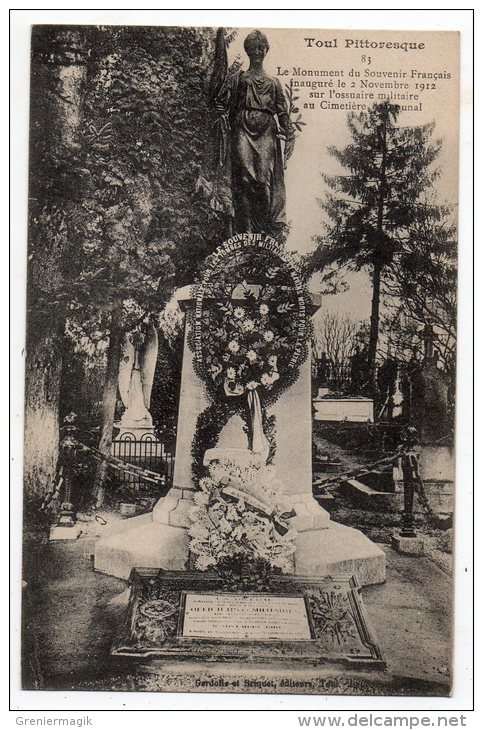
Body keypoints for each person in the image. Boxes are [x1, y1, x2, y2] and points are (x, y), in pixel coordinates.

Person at [210, 29, 294, 235]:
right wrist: (221, 114)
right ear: (247, 51)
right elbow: (221, 102)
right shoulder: (238, 79)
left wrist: (290, 135)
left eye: (260, 47)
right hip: (241, 128)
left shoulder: (274, 82)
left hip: (266, 131)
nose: (256, 51)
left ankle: (262, 234)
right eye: (252, 48)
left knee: (263, 182)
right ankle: (245, 234)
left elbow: (282, 112)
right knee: (244, 180)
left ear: (266, 50)